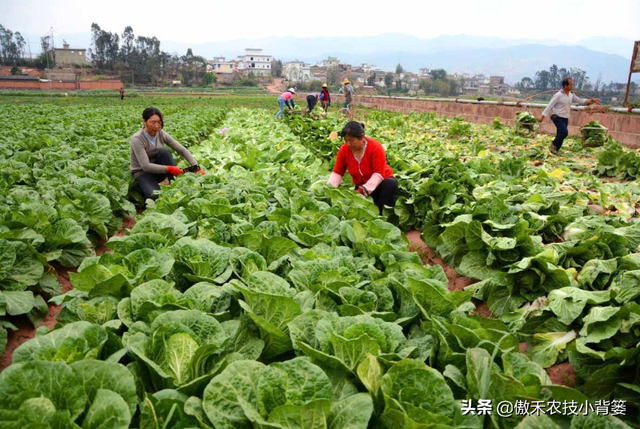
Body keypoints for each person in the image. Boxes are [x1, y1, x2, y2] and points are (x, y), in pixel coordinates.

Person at [130, 107, 204, 201]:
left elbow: (181, 149)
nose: (157, 126)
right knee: (156, 197)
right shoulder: (137, 139)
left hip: (159, 172)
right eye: (153, 122)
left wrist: (196, 167)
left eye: (159, 122)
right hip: (142, 172)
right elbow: (145, 166)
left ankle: (176, 183)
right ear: (144, 121)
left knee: (164, 152)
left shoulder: (161, 133)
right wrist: (170, 168)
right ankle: (143, 189)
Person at [327, 121, 398, 215]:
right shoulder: (344, 149)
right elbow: (338, 172)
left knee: (390, 183)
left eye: (351, 141)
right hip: (361, 184)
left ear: (361, 138)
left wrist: (361, 191)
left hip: (380, 184)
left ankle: (383, 215)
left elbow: (378, 174)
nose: (348, 144)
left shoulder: (375, 147)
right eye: (346, 141)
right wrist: (329, 190)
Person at [539, 77, 600, 154]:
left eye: (572, 85)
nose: (572, 87)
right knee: (564, 132)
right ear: (565, 86)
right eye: (571, 85)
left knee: (560, 134)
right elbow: (549, 106)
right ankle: (553, 144)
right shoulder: (558, 95)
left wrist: (591, 100)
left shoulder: (571, 94)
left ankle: (554, 151)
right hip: (557, 117)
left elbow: (580, 100)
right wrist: (542, 117)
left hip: (565, 118)